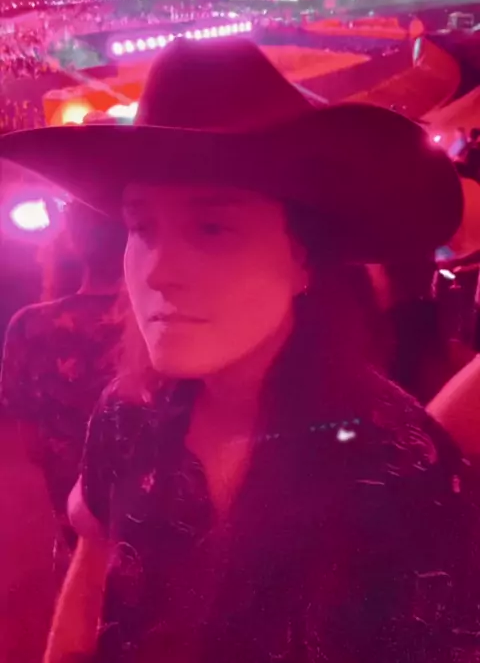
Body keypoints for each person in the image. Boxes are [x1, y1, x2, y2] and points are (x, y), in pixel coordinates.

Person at [1, 38, 479, 663]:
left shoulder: (404, 472)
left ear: (302, 256)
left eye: (212, 227)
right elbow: (92, 569)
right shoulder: (126, 415)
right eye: (142, 227)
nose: (158, 271)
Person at [0, 200, 126, 554]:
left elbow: (33, 447)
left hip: (73, 512)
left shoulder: (29, 326)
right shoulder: (161, 325)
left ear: (73, 239)